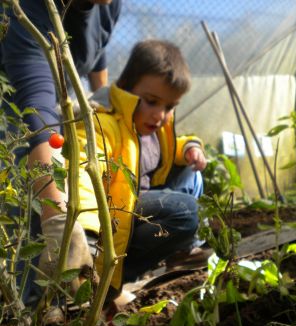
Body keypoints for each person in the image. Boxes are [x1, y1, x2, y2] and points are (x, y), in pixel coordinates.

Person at [0, 0, 122, 301]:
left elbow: (96, 48)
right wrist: (57, 220)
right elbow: (39, 118)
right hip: (15, 102)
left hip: (54, 99)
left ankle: (97, 289)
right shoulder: (24, 10)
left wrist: (99, 106)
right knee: (29, 191)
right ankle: (25, 309)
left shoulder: (110, 4)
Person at [76, 39, 207, 300]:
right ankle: (111, 282)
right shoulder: (103, 124)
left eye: (169, 107)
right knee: (186, 211)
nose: (160, 115)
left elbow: (168, 150)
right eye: (151, 101)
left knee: (192, 173)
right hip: (113, 221)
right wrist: (88, 234)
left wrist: (189, 148)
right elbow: (82, 174)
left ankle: (182, 251)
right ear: (126, 88)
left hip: (137, 204)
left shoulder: (152, 126)